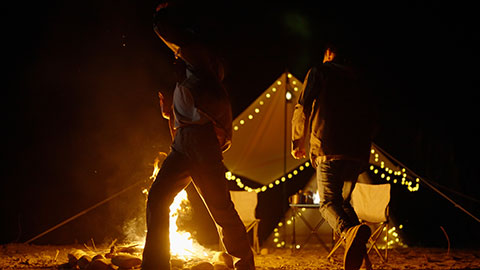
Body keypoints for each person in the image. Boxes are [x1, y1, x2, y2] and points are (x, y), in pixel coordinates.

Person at [141, 2, 255, 269]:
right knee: (157, 198)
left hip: (201, 146)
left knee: (221, 210)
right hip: (184, 146)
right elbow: (188, 114)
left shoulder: (202, 65)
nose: (180, 58)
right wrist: (169, 114)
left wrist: (160, 19)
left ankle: (244, 264)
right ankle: (156, 265)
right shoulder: (190, 80)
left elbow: (177, 40)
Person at [291, 44, 377, 270]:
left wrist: (297, 140)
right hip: (357, 153)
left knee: (328, 202)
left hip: (328, 148)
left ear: (329, 53)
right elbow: (372, 116)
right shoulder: (361, 79)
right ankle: (363, 257)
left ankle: (348, 233)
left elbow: (304, 105)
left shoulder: (321, 71)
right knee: (344, 203)